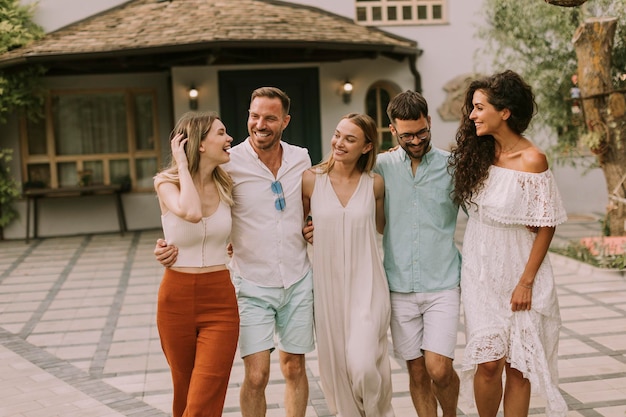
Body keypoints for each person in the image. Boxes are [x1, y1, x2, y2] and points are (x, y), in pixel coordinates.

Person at [154, 87, 314, 417]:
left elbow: (311, 202)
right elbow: (187, 212)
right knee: (251, 376)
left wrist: (314, 223)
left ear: (285, 121)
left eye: (270, 118)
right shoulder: (229, 165)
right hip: (248, 284)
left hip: (296, 278)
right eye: (254, 116)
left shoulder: (300, 158)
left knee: (293, 369)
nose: (259, 124)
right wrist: (167, 245)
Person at [448, 70, 568, 417]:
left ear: (505, 112)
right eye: (472, 108)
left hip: (520, 268)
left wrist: (526, 282)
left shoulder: (533, 160)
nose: (472, 115)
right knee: (488, 363)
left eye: (479, 107)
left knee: (519, 364)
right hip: (480, 268)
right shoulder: (479, 154)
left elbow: (545, 226)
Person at [302, 113, 394, 416]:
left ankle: (377, 411)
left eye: (349, 139)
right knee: (337, 371)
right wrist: (305, 229)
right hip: (328, 289)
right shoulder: (310, 179)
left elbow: (382, 228)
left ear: (367, 147)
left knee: (365, 365)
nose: (339, 143)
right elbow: (298, 223)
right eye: (338, 135)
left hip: (367, 285)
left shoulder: (375, 184)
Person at [376, 91, 461, 417]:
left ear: (429, 123)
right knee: (416, 370)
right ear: (392, 129)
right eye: (407, 134)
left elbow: (480, 212)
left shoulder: (451, 167)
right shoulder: (381, 167)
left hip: (442, 285)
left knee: (438, 368)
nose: (416, 140)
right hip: (398, 286)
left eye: (422, 131)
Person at [153, 111, 239, 417]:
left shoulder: (228, 183)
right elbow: (189, 212)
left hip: (220, 300)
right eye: (221, 132)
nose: (229, 138)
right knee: (185, 389)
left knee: (206, 391)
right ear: (199, 144)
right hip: (175, 298)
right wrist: (182, 165)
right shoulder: (166, 182)